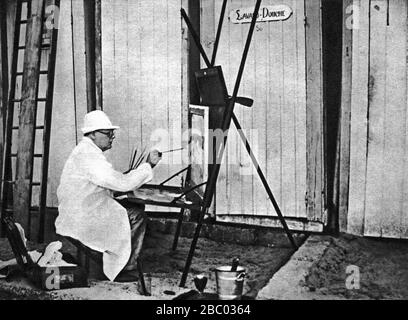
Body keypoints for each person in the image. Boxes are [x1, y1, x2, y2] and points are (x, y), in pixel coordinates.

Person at [55, 110, 161, 282]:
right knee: (137, 215)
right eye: (108, 133)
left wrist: (134, 174)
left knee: (134, 208)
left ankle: (120, 261)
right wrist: (148, 165)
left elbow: (113, 180)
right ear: (93, 134)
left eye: (112, 134)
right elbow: (123, 184)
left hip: (83, 207)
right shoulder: (88, 156)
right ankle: (122, 269)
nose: (112, 137)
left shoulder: (87, 151)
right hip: (82, 214)